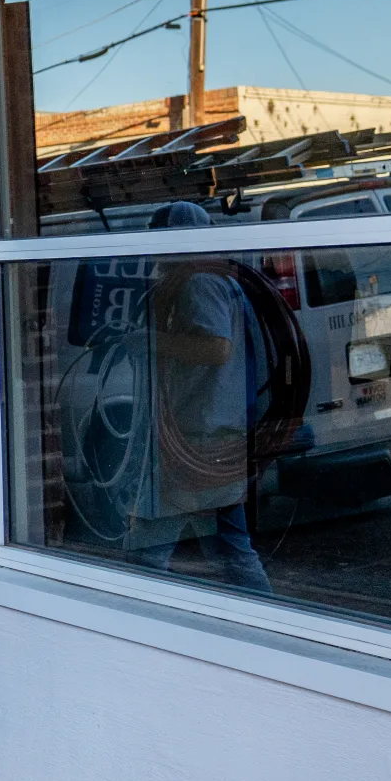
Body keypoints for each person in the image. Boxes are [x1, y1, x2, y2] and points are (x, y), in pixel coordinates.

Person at [131, 201, 272, 592]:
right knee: (230, 546)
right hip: (212, 433)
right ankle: (264, 615)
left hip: (198, 435)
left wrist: (149, 342)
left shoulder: (199, 281)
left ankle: (136, 618)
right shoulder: (214, 278)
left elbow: (216, 349)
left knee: (148, 549)